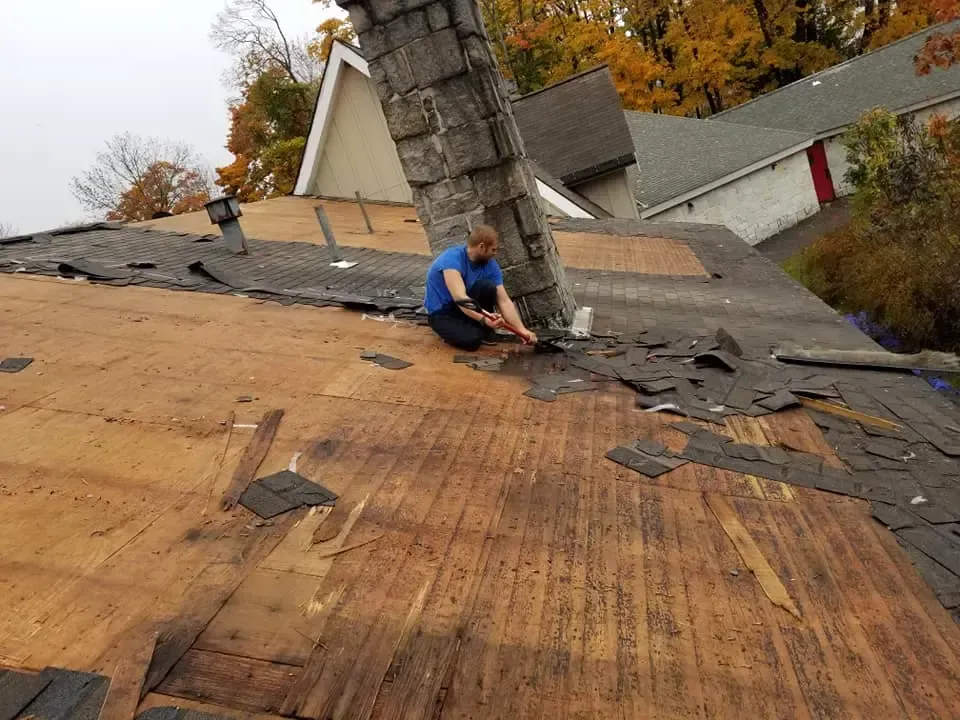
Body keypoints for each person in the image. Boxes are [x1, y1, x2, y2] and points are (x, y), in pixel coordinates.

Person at [424, 225, 538, 351]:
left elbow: (504, 301)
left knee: (487, 287)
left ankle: (482, 329)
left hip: (465, 308)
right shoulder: (451, 259)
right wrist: (485, 319)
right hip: (443, 313)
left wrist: (521, 330)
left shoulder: (490, 265)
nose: (495, 254)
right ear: (482, 247)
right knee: (472, 341)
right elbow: (461, 300)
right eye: (493, 250)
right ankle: (465, 330)